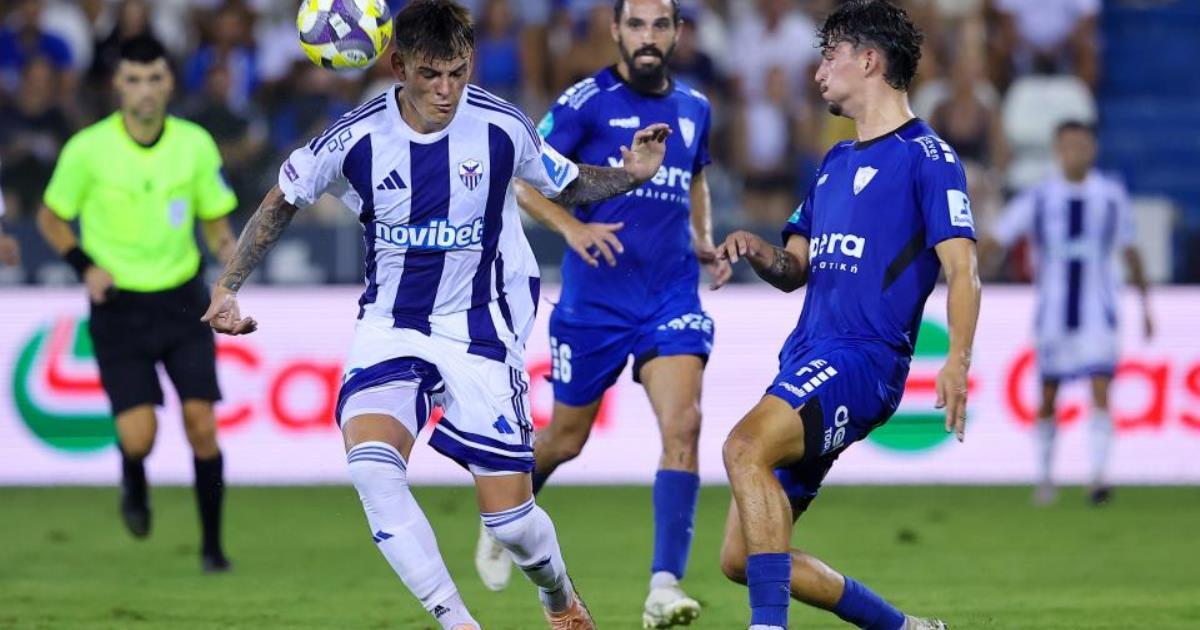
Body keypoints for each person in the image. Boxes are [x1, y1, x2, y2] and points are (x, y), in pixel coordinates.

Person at [200, 2, 670, 629]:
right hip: (393, 323)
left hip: (485, 324)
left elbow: (566, 184)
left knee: (511, 522)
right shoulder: (355, 137)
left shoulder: (502, 125)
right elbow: (282, 199)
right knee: (372, 469)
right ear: (398, 67)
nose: (446, 90)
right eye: (430, 75)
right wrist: (229, 285)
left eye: (457, 73)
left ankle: (559, 596)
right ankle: (457, 622)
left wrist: (631, 175)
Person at [712, 2, 981, 629]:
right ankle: (906, 628)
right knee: (743, 557)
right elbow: (795, 270)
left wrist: (957, 360)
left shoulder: (928, 157)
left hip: (863, 358)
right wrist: (759, 251)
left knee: (743, 447)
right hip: (807, 356)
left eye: (829, 55)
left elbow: (963, 269)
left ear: (869, 60)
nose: (818, 72)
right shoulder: (833, 163)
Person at [473, 1, 728, 627]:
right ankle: (504, 517)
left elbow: (696, 177)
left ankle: (663, 586)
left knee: (685, 425)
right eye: (636, 25)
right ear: (615, 31)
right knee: (566, 439)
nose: (648, 37)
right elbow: (523, 181)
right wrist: (572, 228)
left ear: (677, 34)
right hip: (595, 304)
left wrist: (703, 238)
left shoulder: (695, 107)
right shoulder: (585, 102)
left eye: (660, 25)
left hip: (670, 296)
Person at [36, 36, 239, 572]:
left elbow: (214, 220)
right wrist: (85, 267)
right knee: (139, 436)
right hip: (119, 308)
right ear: (117, 85)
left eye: (153, 78)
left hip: (182, 300)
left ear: (169, 82)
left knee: (201, 424)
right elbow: (51, 217)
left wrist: (229, 256)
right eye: (133, 79)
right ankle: (134, 476)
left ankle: (213, 549)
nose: (144, 90)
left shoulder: (194, 144)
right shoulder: (88, 149)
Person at [982, 120, 1153, 506]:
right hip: (1054, 313)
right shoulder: (1040, 197)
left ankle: (1098, 478)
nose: (1076, 152)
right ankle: (1045, 479)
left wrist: (1146, 305)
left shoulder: (1110, 195)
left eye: (1082, 145)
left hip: (1098, 311)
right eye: (1069, 145)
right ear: (1058, 150)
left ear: (1093, 149)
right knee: (1048, 394)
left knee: (1101, 387)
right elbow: (998, 236)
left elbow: (1130, 249)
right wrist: (963, 271)